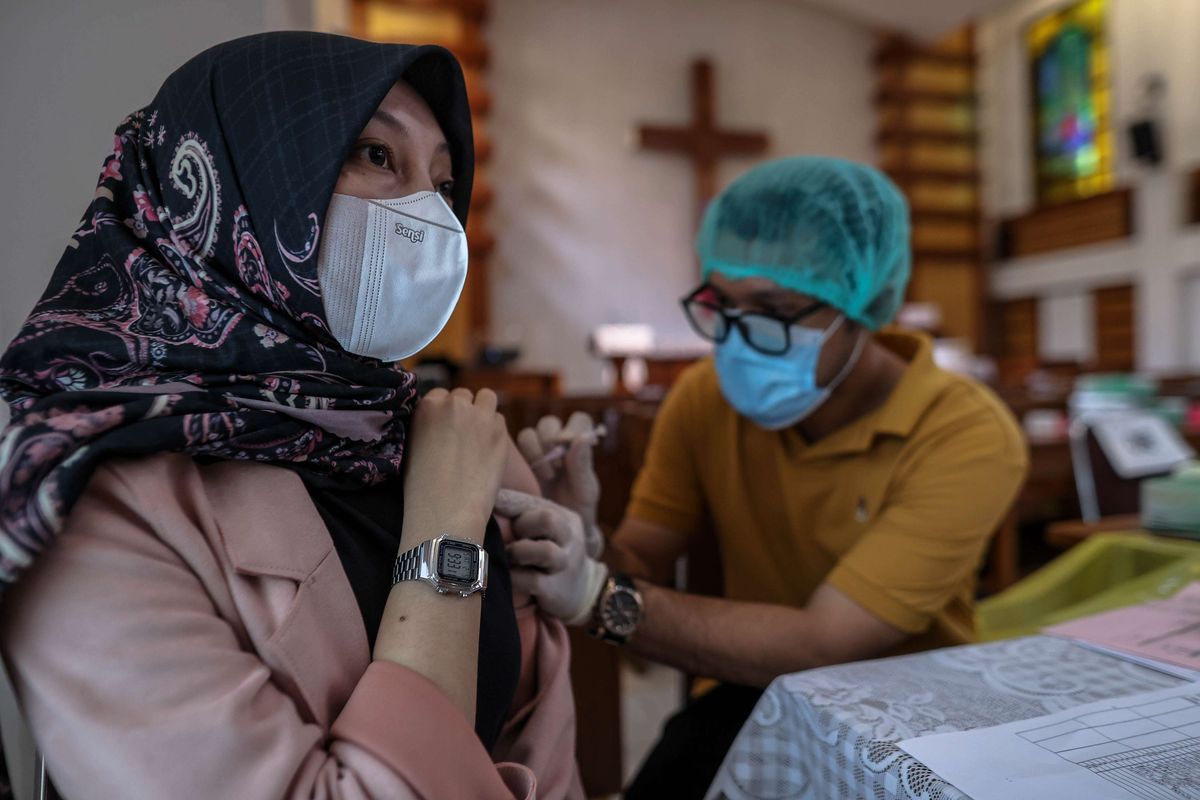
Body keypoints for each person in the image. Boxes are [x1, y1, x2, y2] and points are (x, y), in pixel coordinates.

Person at [0, 32, 582, 800]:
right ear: (238, 178)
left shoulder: (431, 430)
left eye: (443, 186)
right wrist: (443, 537)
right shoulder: (83, 490)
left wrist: (569, 541)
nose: (428, 216)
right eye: (376, 155)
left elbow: (540, 735)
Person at [500, 156, 1029, 799]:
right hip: (748, 692)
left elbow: (823, 644)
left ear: (860, 307)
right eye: (722, 303)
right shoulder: (704, 398)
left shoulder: (964, 432)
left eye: (772, 308)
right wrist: (583, 535)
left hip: (916, 713)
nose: (738, 337)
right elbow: (641, 556)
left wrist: (595, 595)